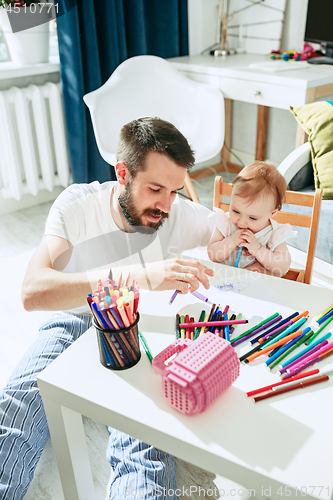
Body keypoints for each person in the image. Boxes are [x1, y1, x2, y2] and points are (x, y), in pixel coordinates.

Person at [0, 117, 216, 500]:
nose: (166, 204)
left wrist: (264, 244)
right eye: (155, 189)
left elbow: (234, 231)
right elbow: (33, 291)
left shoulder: (177, 212)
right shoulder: (78, 204)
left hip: (139, 329)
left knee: (144, 446)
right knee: (15, 410)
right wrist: (141, 275)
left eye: (175, 191)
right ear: (122, 173)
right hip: (74, 320)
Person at [207, 161, 296, 276]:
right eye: (236, 211)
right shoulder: (225, 223)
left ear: (272, 213)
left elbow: (283, 267)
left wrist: (258, 250)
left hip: (257, 286)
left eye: (253, 218)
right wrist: (231, 241)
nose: (242, 222)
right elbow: (212, 255)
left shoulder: (273, 233)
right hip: (224, 279)